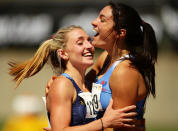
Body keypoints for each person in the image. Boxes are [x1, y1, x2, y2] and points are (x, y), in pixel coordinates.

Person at [8, 25, 137, 131]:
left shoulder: (89, 84)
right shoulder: (62, 85)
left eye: (88, 40)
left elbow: (111, 55)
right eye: (80, 42)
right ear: (63, 53)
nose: (89, 46)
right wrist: (104, 122)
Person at [85, 1, 158, 131]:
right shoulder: (105, 58)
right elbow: (83, 89)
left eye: (102, 20)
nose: (93, 22)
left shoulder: (124, 72)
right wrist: (63, 82)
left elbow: (121, 128)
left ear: (120, 33)